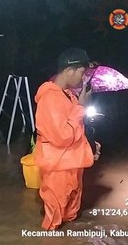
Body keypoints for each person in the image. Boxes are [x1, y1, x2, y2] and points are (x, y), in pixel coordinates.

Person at [34, 47, 100, 230]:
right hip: (58, 165)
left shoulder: (68, 95)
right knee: (53, 220)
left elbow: (76, 127)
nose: (83, 77)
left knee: (70, 215)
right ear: (69, 70)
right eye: (82, 72)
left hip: (72, 162)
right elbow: (62, 136)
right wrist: (80, 107)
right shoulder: (50, 98)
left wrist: (91, 144)